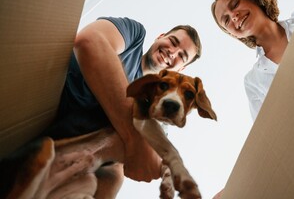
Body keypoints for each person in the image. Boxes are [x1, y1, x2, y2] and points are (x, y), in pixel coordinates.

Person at [40, 16, 202, 187]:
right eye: (173, 41)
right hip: (46, 100)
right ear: (160, 36)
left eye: (181, 56)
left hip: (65, 147)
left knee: (114, 175)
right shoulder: (134, 36)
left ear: (181, 69)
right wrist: (134, 137)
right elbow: (90, 40)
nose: (172, 52)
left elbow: (149, 154)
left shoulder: (152, 107)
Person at [211, 0, 294, 122]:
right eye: (226, 20)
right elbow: (269, 132)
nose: (233, 16)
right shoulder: (253, 83)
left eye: (235, 4)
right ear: (233, 34)